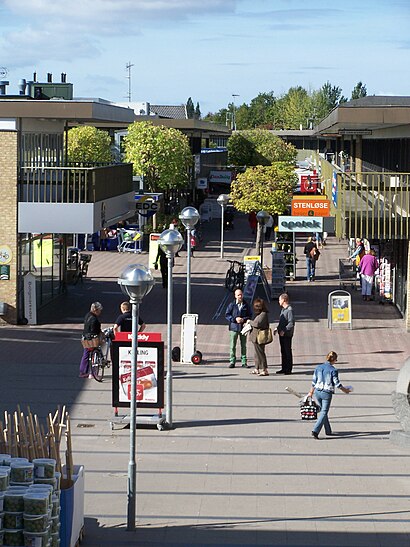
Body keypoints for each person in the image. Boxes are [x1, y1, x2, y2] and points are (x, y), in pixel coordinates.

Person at [307, 351, 351, 439]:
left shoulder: (318, 367)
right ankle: (315, 430)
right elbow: (337, 383)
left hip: (317, 391)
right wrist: (345, 390)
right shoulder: (333, 370)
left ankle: (328, 430)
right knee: (324, 412)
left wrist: (311, 392)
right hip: (327, 393)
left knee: (323, 411)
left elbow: (314, 381)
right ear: (334, 360)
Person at [225, 288, 251, 368]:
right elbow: (227, 314)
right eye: (238, 295)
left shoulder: (246, 304)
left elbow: (250, 314)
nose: (240, 296)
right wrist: (234, 319)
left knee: (243, 345)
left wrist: (244, 319)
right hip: (234, 327)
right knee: (232, 345)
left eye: (241, 294)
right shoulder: (232, 305)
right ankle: (232, 361)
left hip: (243, 327)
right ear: (235, 296)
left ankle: (244, 361)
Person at [79, 302, 103, 378]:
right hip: (92, 339)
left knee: (86, 354)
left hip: (85, 338)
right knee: (95, 353)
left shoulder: (87, 315)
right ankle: (93, 373)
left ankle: (83, 372)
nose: (100, 312)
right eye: (99, 310)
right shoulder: (95, 320)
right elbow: (95, 330)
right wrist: (102, 336)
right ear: (96, 310)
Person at [248, 298, 270, 376]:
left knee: (260, 353)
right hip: (256, 337)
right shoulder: (260, 314)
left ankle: (265, 369)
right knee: (256, 353)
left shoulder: (263, 314)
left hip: (259, 336)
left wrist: (249, 322)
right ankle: (256, 368)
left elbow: (257, 324)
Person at [274, 293, 294, 375]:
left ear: (284, 300)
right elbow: (282, 322)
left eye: (280, 299)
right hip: (281, 333)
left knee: (287, 351)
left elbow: (291, 323)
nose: (278, 301)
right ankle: (283, 367)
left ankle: (288, 369)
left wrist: (284, 330)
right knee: (283, 351)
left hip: (287, 334)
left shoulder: (289, 310)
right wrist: (277, 328)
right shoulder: (283, 310)